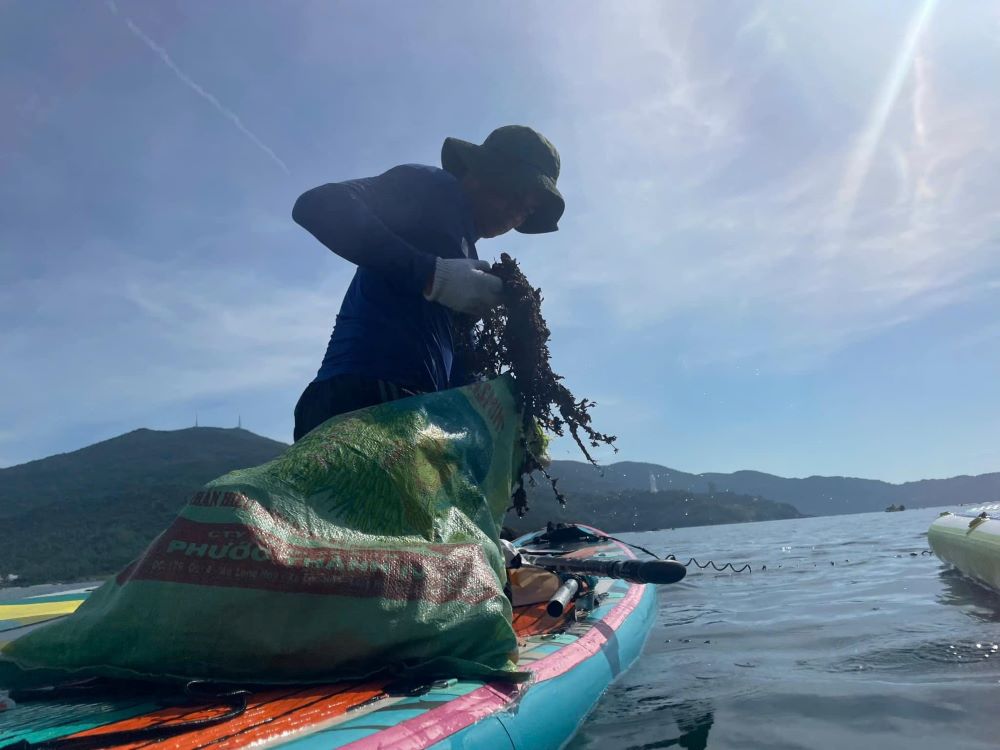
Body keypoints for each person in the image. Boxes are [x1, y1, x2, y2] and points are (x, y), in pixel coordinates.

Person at [290, 125, 564, 441]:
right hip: (361, 395)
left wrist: (506, 418)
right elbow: (318, 204)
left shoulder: (468, 262)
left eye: (527, 210)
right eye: (514, 195)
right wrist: (432, 275)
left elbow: (458, 362)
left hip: (416, 409)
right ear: (479, 171)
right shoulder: (431, 186)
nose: (516, 214)